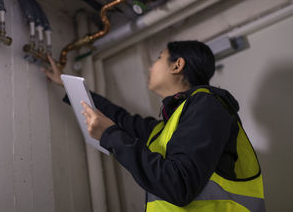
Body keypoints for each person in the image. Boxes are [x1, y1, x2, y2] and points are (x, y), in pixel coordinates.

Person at [42, 40, 265, 211]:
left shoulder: (207, 105)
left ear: (177, 65)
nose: (151, 67)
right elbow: (121, 119)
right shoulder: (165, 129)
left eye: (159, 58)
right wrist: (66, 84)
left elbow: (179, 185)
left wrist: (110, 135)